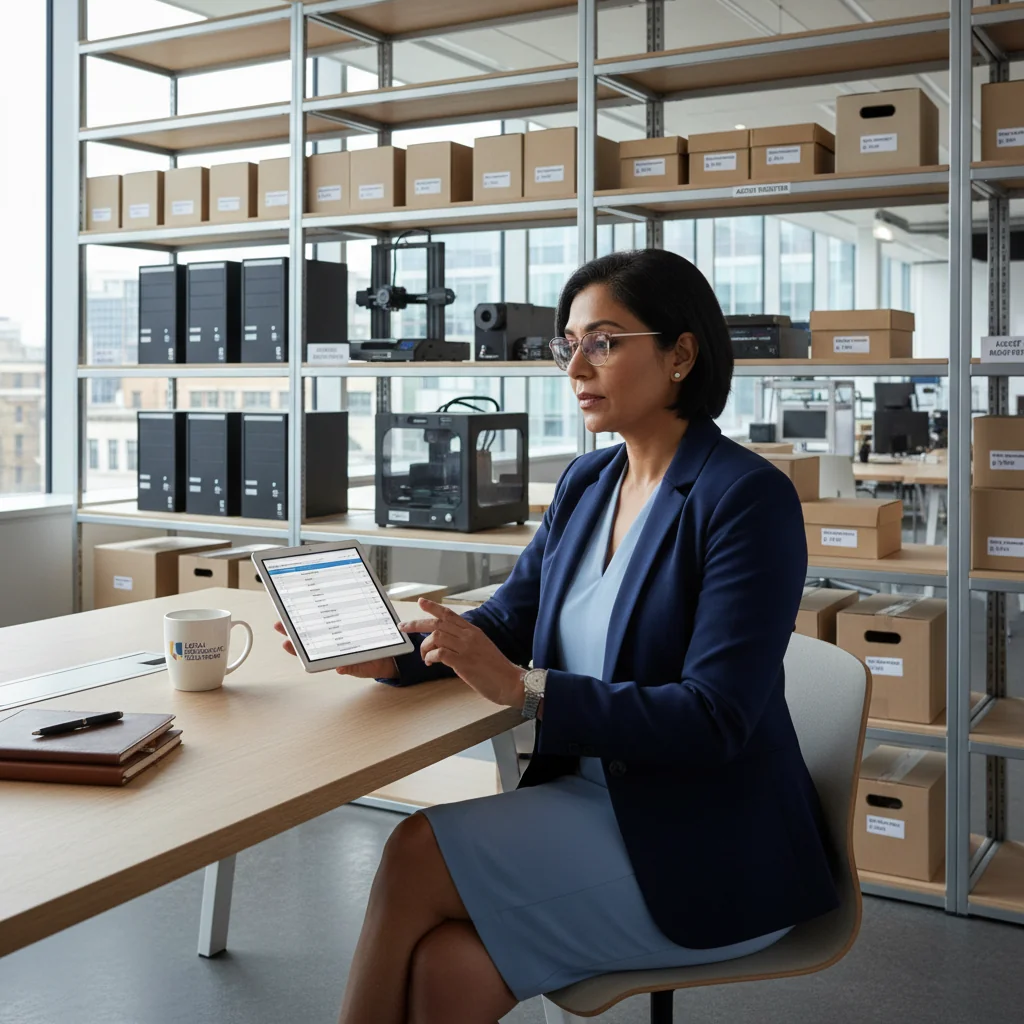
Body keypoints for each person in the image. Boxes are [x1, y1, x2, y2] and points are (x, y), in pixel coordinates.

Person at [275, 249, 839, 1024]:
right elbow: (510, 620)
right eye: (565, 344)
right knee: (452, 967)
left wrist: (524, 689)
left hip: (707, 843)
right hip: (591, 801)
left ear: (681, 353)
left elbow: (716, 719)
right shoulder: (587, 482)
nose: (575, 365)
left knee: (414, 849)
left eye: (603, 341)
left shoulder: (746, 498)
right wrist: (395, 655)